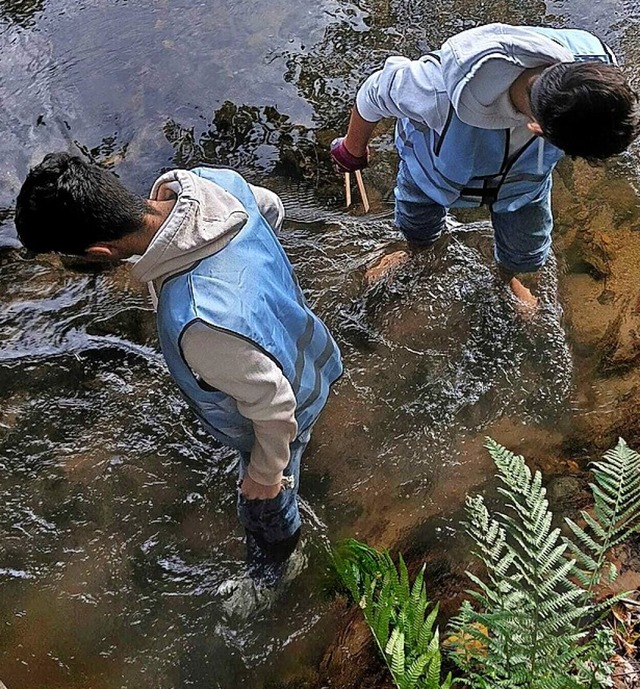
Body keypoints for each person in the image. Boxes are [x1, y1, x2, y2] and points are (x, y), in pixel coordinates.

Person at [15, 152, 343, 587]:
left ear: (100, 252)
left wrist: (264, 478)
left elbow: (276, 407)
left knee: (262, 507)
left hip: (289, 403)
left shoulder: (200, 323)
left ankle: (278, 572)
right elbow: (270, 209)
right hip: (311, 348)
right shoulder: (211, 184)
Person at [331, 23, 640, 307]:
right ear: (537, 130)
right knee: (418, 221)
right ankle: (415, 254)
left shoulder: (593, 74)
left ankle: (505, 280)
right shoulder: (439, 89)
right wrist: (352, 149)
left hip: (522, 182)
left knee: (526, 248)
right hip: (432, 173)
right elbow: (375, 92)